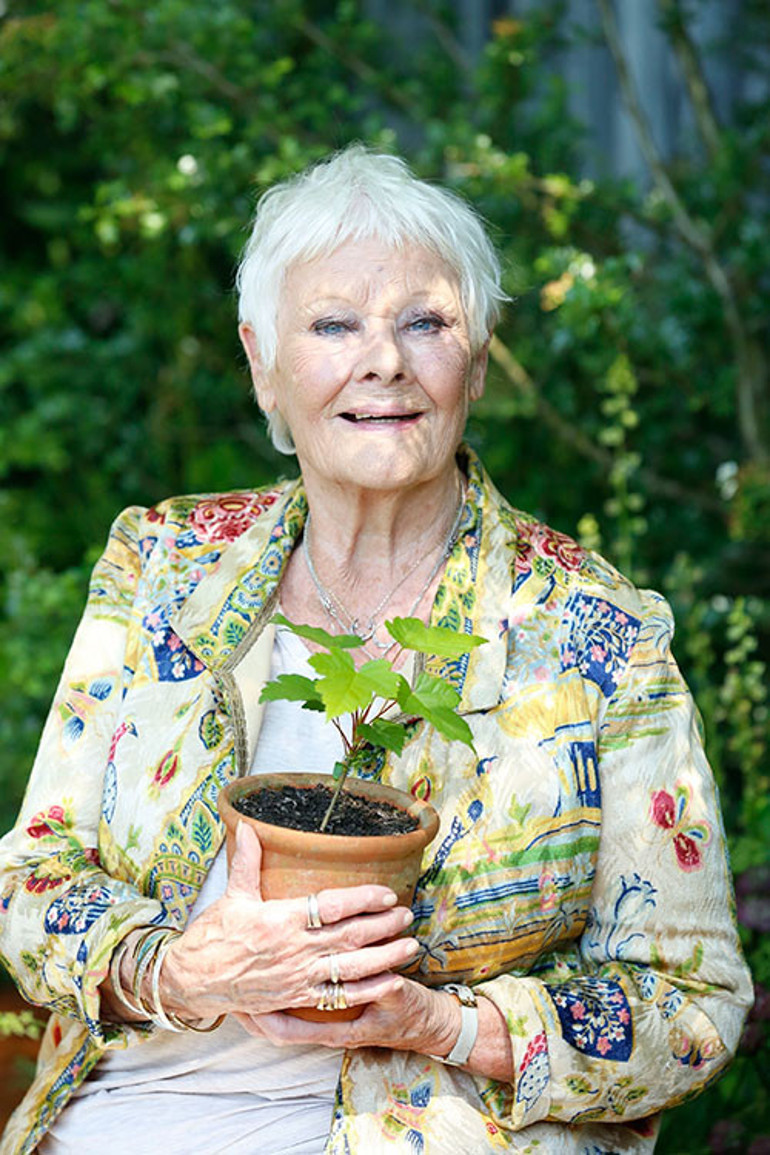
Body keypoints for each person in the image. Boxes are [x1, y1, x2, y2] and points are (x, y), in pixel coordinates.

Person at [0, 146, 752, 1155]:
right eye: (332, 325)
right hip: (126, 1119)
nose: (384, 360)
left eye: (425, 321)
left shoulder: (594, 633)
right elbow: (31, 875)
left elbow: (690, 1003)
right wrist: (174, 970)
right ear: (264, 364)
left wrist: (450, 1028)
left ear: (477, 360)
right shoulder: (167, 567)